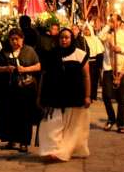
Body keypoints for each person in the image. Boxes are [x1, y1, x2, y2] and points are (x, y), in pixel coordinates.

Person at [37, 28, 91, 162]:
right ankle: (51, 149)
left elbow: (87, 76)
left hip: (74, 95)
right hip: (54, 96)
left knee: (71, 127)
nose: (64, 40)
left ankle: (64, 150)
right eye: (62, 37)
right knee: (51, 124)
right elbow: (44, 76)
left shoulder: (80, 54)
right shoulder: (51, 55)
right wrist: (39, 95)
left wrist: (87, 96)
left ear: (72, 39)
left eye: (67, 37)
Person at [0, 28, 40, 153]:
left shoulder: (29, 51)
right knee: (9, 115)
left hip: (25, 89)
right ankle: (11, 140)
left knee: (24, 115)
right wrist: (5, 68)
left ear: (22, 39)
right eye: (12, 39)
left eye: (17, 39)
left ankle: (24, 142)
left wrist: (25, 69)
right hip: (8, 90)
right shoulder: (4, 51)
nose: (14, 42)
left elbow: (38, 66)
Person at [98, 14, 124, 133]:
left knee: (121, 98)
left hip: (122, 69)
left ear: (120, 22)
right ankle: (111, 119)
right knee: (106, 96)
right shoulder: (107, 34)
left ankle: (121, 124)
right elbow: (99, 36)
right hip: (109, 68)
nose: (113, 22)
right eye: (111, 20)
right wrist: (108, 25)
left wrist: (122, 50)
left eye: (115, 20)